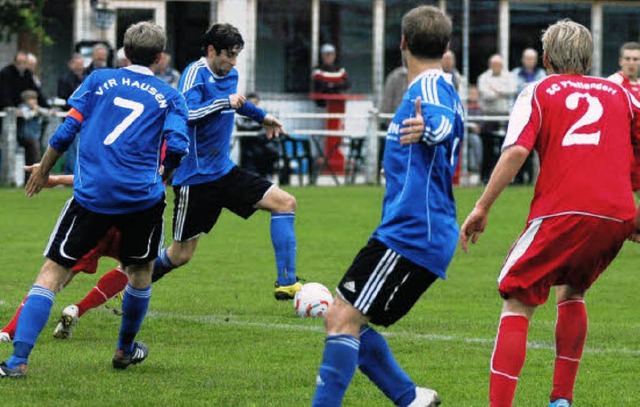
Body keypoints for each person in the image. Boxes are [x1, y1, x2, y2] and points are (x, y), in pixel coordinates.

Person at [459, 19, 640, 407]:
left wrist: (482, 206)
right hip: (616, 213)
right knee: (573, 290)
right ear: (590, 58)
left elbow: (516, 151)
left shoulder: (538, 90)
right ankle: (561, 400)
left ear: (545, 58)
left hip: (563, 210)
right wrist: (631, 207)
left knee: (516, 298)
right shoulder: (620, 92)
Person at [0, 21, 190, 378]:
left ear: (123, 52)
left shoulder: (98, 80)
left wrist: (43, 170)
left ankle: (18, 361)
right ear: (160, 58)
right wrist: (162, 178)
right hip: (142, 200)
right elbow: (178, 145)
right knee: (140, 274)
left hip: (91, 198)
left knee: (52, 274)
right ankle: (123, 350)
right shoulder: (170, 95)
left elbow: (68, 129)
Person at [311, 5, 463, 406]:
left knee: (342, 318)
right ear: (446, 46)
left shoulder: (431, 89)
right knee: (345, 318)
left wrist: (431, 129)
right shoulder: (426, 89)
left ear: (402, 43)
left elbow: (444, 124)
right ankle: (409, 397)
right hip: (408, 229)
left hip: (413, 232)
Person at [150, 23, 302, 301]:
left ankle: (287, 283)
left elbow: (237, 102)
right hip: (195, 179)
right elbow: (186, 114)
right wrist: (224, 102)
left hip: (224, 171)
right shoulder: (194, 74)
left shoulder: (230, 74)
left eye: (235, 56)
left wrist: (262, 117)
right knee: (180, 255)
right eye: (228, 55)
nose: (232, 62)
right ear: (211, 50)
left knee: (285, 203)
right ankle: (133, 284)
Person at [477, 54, 516, 183]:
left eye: (498, 65)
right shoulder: (483, 77)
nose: (496, 67)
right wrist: (501, 93)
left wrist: (495, 91)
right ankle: (485, 177)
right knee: (487, 149)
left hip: (505, 116)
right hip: (488, 116)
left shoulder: (509, 76)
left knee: (504, 148)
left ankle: (504, 178)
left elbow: (512, 90)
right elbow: (485, 94)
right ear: (490, 65)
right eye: (494, 64)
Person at [236, 92, 279, 180]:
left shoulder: (262, 114)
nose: (253, 106)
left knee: (268, 153)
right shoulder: (240, 114)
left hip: (262, 147)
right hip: (248, 146)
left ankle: (267, 179)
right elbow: (242, 126)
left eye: (254, 103)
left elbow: (269, 127)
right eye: (250, 103)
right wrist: (260, 124)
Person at [16, 90, 51, 182]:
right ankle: (34, 178)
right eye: (31, 99)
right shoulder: (23, 107)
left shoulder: (37, 108)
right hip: (26, 137)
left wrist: (38, 110)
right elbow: (26, 115)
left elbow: (47, 112)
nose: (34, 101)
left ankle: (29, 179)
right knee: (35, 157)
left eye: (35, 99)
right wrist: (34, 112)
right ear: (26, 100)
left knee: (31, 159)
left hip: (36, 137)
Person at [311, 43, 350, 107]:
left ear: (334, 55)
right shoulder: (318, 70)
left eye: (331, 54)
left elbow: (347, 84)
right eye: (326, 55)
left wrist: (331, 85)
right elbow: (321, 86)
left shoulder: (340, 69)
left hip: (338, 102)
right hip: (322, 105)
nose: (329, 57)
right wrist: (338, 84)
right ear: (322, 56)